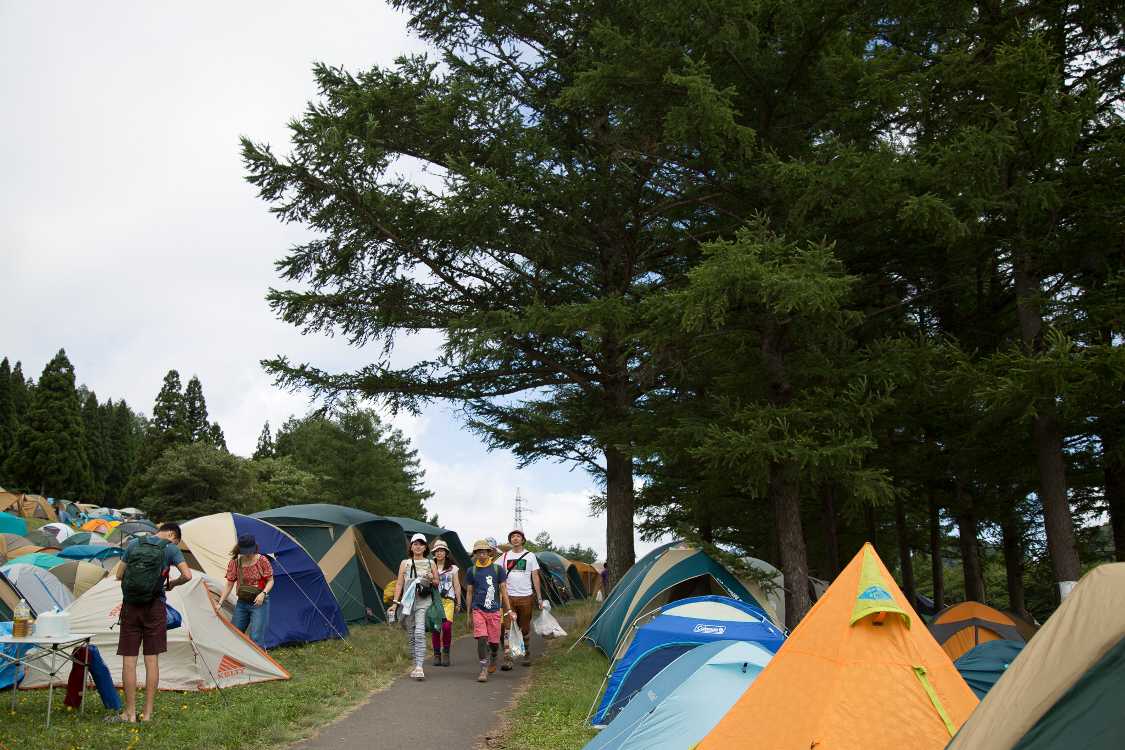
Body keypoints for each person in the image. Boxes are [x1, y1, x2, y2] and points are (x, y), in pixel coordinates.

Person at [110, 522, 191, 724]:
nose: (175, 544)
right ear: (172, 534)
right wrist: (172, 584)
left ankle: (129, 714)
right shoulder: (170, 549)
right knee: (151, 660)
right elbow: (187, 575)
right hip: (154, 607)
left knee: (129, 661)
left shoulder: (133, 544)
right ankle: (146, 714)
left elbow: (118, 575)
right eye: (176, 541)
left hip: (131, 607)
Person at [388, 533, 435, 680]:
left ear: (425, 547)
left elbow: (437, 583)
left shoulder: (431, 563)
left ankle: (420, 667)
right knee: (411, 634)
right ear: (411, 546)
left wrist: (431, 578)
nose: (418, 546)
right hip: (407, 603)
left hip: (423, 602)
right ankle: (416, 664)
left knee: (419, 632)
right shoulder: (405, 563)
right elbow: (399, 584)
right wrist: (395, 604)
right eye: (415, 544)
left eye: (421, 544)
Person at [466, 539, 513, 683]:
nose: (482, 554)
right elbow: (469, 592)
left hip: (494, 611)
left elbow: (503, 590)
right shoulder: (472, 571)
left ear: (489, 553)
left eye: (484, 552)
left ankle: (493, 654)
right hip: (478, 609)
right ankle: (483, 669)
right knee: (481, 638)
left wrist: (509, 609)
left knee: (493, 642)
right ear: (475, 554)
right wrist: (468, 614)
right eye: (479, 552)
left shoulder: (498, 570)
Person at [218, 534, 274, 647]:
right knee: (235, 634)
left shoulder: (262, 560)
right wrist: (220, 603)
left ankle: (258, 657)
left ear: (254, 547)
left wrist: (263, 593)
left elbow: (271, 581)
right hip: (242, 603)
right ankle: (236, 658)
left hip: (259, 603)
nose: (248, 554)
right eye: (245, 551)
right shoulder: (235, 562)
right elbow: (229, 584)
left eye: (250, 551)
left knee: (256, 637)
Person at [498, 529, 543, 669]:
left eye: (518, 536)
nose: (515, 538)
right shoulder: (504, 556)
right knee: (508, 628)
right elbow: (496, 572)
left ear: (523, 540)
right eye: (513, 537)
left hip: (526, 597)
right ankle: (508, 658)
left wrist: (539, 598)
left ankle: (526, 653)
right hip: (508, 597)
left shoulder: (530, 556)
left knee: (524, 628)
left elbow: (535, 576)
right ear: (510, 540)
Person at [430, 539, 461, 667]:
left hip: (448, 601)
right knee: (436, 628)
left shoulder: (453, 568)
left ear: (446, 552)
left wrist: (459, 602)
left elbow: (457, 585)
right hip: (434, 601)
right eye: (437, 551)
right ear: (434, 553)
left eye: (441, 551)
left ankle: (446, 652)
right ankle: (437, 654)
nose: (439, 553)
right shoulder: (430, 566)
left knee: (446, 627)